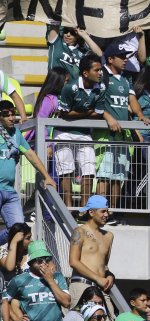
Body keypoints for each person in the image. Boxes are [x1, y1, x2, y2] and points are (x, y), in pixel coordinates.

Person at [0, 100, 53, 246]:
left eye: (13, 114)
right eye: (6, 115)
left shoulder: (16, 134)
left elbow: (31, 156)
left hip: (9, 192)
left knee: (19, 231)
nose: (11, 118)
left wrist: (47, 176)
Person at [95, 47, 138, 225]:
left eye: (125, 57)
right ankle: (99, 213)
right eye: (121, 57)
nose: (125, 60)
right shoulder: (102, 77)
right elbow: (96, 103)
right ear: (110, 59)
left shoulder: (127, 80)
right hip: (105, 136)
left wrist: (140, 116)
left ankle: (111, 213)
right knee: (104, 177)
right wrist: (108, 116)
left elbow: (132, 102)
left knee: (118, 178)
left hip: (123, 136)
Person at [55, 54, 105, 208]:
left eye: (101, 70)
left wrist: (79, 114)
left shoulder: (101, 88)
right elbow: (63, 113)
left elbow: (99, 112)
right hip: (63, 132)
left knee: (89, 169)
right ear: (85, 73)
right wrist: (86, 113)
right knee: (66, 170)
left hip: (84, 133)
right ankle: (68, 207)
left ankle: (85, 207)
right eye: (96, 70)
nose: (100, 73)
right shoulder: (70, 87)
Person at [2, 241, 71, 321]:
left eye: (46, 259)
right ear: (30, 263)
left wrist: (50, 280)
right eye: (39, 260)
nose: (44, 263)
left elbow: (66, 303)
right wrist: (15, 317)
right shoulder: (19, 280)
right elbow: (3, 301)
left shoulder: (57, 276)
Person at [68, 195, 115, 316]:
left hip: (101, 289)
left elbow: (103, 265)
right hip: (82, 285)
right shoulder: (79, 232)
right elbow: (73, 261)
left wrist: (109, 275)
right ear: (91, 212)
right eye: (103, 211)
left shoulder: (109, 236)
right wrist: (98, 278)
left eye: (107, 211)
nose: (106, 215)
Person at [46, 27, 102, 94]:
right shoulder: (57, 43)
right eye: (66, 31)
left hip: (74, 92)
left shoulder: (83, 50)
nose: (68, 34)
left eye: (72, 33)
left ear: (78, 35)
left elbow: (99, 55)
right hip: (55, 89)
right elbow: (54, 22)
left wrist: (85, 36)